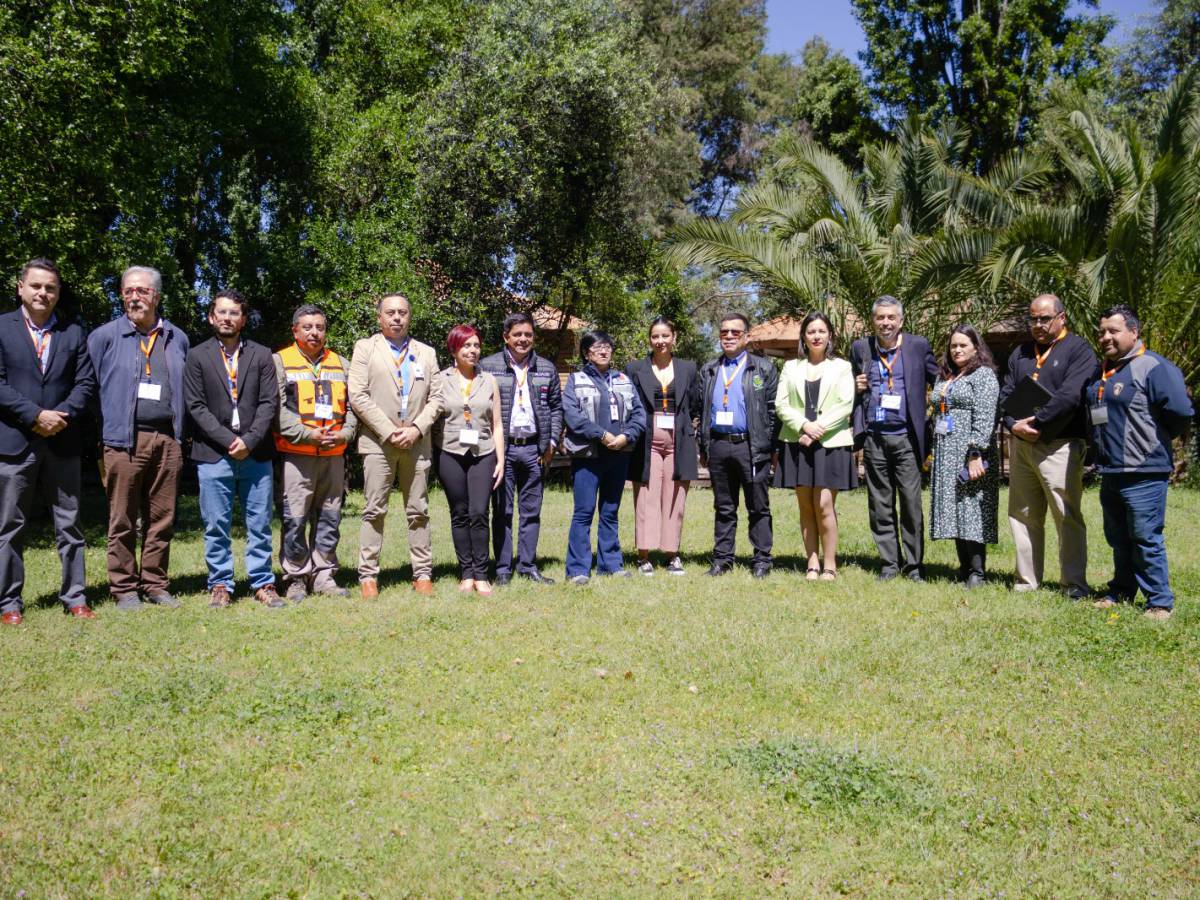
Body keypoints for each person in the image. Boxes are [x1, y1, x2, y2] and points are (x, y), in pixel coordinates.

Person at [0, 259, 97, 625]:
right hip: (14, 441)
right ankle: (8, 602)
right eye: (36, 286)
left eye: (50, 288)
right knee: (10, 525)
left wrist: (59, 416)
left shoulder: (74, 332)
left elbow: (85, 384)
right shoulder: (1, 328)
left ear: (58, 293)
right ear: (20, 287)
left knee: (69, 525)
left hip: (62, 440)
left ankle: (75, 596)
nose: (43, 293)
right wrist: (35, 415)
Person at [88, 265, 190, 610]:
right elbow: (88, 391)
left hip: (167, 440)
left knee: (162, 518)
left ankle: (156, 584)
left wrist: (179, 437)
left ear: (157, 296)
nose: (134, 297)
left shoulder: (177, 338)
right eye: (128, 291)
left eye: (142, 291)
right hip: (122, 441)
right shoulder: (104, 336)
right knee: (123, 520)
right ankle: (124, 589)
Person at [1087, 305, 1193, 620]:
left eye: (1113, 331)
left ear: (1134, 332)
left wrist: (1151, 442)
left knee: (1146, 536)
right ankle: (1121, 590)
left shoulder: (1154, 367)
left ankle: (1160, 601)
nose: (1105, 337)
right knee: (1118, 537)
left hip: (1144, 471)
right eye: (1102, 331)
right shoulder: (1105, 370)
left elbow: (1180, 413)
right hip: (1112, 470)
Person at [184, 289, 281, 609]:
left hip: (256, 452)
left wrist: (250, 440)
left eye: (234, 313)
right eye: (221, 313)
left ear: (243, 319)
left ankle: (263, 582)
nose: (227, 318)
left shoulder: (262, 354)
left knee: (259, 523)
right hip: (214, 453)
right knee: (216, 525)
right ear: (211, 317)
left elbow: (270, 402)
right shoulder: (197, 356)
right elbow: (195, 406)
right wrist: (228, 441)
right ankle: (221, 584)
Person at [997, 293, 1096, 598]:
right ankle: (1026, 582)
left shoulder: (1078, 350)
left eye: (1044, 318)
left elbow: (1070, 395)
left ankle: (1074, 584)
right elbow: (1006, 394)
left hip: (1059, 445)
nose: (1037, 325)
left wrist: (1037, 424)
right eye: (1033, 319)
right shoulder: (1021, 353)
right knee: (1023, 514)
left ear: (1061, 318)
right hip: (1022, 444)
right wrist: (1013, 424)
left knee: (1066, 516)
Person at [348, 293, 441, 598]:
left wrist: (416, 428)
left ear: (409, 317)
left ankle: (423, 573)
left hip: (416, 442)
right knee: (374, 510)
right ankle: (368, 576)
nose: (397, 317)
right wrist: (390, 431)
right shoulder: (365, 348)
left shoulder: (425, 352)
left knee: (419, 511)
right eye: (391, 313)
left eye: (402, 312)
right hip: (378, 443)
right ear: (380, 318)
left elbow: (437, 398)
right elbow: (358, 395)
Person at [273, 304, 358, 603]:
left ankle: (324, 575)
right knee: (294, 518)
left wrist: (345, 434)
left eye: (320, 327)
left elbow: (353, 408)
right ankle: (296, 576)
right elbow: (277, 410)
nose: (314, 332)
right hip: (297, 454)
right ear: (295, 330)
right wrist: (307, 434)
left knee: (330, 516)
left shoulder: (341, 363)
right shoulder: (280, 361)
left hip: (334, 454)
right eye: (307, 327)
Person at [851, 296, 938, 581]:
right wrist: (856, 386)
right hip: (875, 439)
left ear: (901, 321)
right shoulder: (861, 348)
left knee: (911, 505)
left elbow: (940, 380)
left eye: (891, 318)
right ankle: (889, 564)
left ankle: (914, 566)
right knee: (879, 504)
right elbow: (853, 389)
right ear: (873, 320)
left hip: (907, 439)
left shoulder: (918, 346)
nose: (885, 323)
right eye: (880, 318)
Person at [480, 312, 563, 585]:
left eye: (528, 334)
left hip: (534, 450)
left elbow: (555, 408)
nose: (523, 339)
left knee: (531, 512)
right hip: (502, 451)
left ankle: (527, 566)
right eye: (517, 334)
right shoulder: (488, 366)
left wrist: (550, 442)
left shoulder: (547, 368)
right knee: (502, 511)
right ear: (506, 337)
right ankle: (503, 569)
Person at [773, 311, 857, 581]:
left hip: (830, 444)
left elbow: (845, 404)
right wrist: (804, 426)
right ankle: (812, 562)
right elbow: (781, 404)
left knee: (823, 505)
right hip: (797, 442)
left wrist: (817, 429)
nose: (816, 336)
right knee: (805, 506)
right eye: (811, 332)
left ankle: (830, 564)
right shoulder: (791, 367)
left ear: (829, 335)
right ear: (804, 337)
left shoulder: (842, 367)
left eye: (821, 331)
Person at [697, 312, 779, 578]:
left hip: (751, 447)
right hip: (719, 445)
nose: (729, 336)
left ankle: (762, 560)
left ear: (746, 336)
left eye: (735, 332)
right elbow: (701, 410)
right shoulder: (709, 369)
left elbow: (772, 411)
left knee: (758, 505)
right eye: (724, 332)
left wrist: (771, 447)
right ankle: (722, 559)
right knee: (723, 506)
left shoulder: (763, 368)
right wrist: (704, 447)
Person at [561, 330, 646, 584]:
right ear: (587, 353)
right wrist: (601, 434)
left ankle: (611, 564)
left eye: (607, 346)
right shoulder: (575, 380)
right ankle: (578, 569)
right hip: (588, 456)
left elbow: (639, 415)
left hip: (618, 455)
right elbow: (572, 415)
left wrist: (626, 436)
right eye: (597, 347)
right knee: (584, 512)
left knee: (610, 511)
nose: (603, 350)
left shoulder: (623, 379)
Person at [428, 325, 505, 595]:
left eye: (476, 345)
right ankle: (466, 572)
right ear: (454, 349)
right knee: (459, 514)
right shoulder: (439, 380)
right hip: (450, 452)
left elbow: (496, 424)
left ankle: (482, 574)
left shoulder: (489, 380)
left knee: (479, 513)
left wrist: (501, 460)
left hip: (482, 453)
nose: (473, 351)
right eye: (466, 346)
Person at [626, 317, 700, 576]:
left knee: (675, 497)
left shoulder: (688, 368)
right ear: (650, 339)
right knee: (646, 496)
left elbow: (694, 403)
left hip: (678, 442)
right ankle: (643, 555)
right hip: (648, 442)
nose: (660, 341)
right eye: (655, 336)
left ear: (674, 337)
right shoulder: (635, 368)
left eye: (665, 336)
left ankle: (672, 554)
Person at [928, 325, 1000, 587]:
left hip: (971, 453)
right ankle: (963, 568)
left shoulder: (983, 376)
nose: (957, 350)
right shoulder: (946, 376)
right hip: (947, 452)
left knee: (971, 508)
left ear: (976, 348)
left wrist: (975, 452)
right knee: (955, 510)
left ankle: (978, 572)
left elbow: (985, 416)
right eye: (953, 346)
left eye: (963, 345)